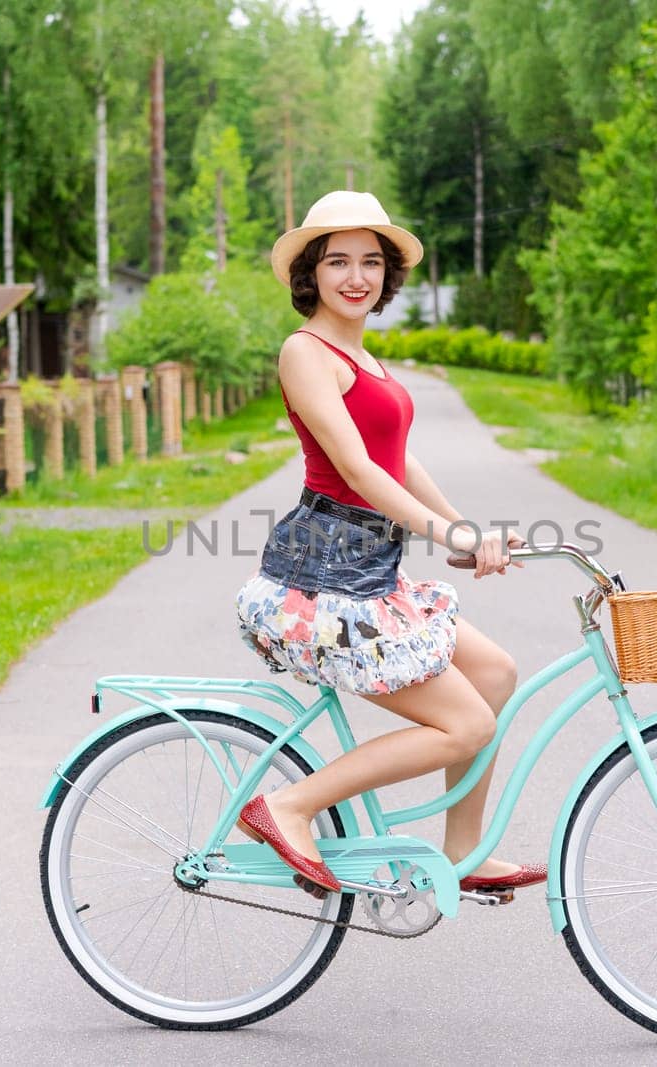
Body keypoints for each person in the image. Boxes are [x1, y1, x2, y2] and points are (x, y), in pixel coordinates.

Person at [233, 190, 544, 898]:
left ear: (387, 275)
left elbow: (397, 457)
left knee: (494, 673)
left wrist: (462, 532)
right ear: (309, 273)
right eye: (337, 261)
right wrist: (448, 534)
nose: (356, 277)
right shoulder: (305, 351)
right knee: (464, 724)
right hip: (324, 579)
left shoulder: (360, 354)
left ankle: (463, 852)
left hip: (369, 571)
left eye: (370, 262)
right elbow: (358, 470)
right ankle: (289, 806)